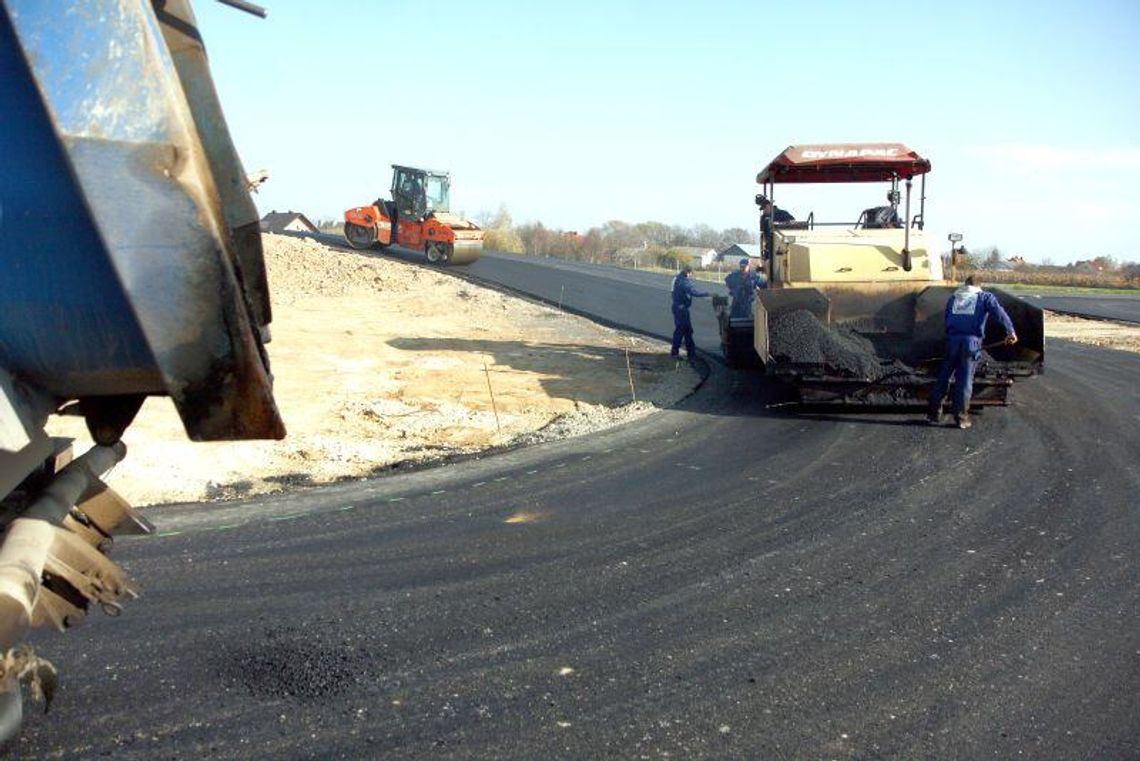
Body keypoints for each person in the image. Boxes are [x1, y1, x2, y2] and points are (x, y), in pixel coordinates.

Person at [927, 275, 1018, 429]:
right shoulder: (984, 297)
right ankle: (961, 418)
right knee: (964, 379)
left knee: (944, 377)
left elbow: (947, 318)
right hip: (971, 343)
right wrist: (1011, 331)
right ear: (979, 286)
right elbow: (999, 313)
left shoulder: (954, 298)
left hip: (952, 341)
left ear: (965, 284)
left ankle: (933, 414)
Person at [670, 264, 711, 362]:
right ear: (688, 272)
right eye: (690, 273)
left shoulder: (676, 278)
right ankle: (681, 354)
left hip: (677, 307)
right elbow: (693, 292)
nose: (691, 275)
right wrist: (707, 294)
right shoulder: (683, 281)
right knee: (682, 331)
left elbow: (672, 293)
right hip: (681, 309)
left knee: (685, 331)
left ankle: (689, 353)